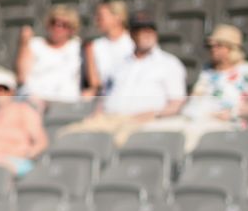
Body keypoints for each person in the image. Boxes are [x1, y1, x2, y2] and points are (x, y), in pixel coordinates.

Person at [141, 24, 248, 153]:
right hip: (189, 118)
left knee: (187, 139)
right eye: (210, 46)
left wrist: (233, 112)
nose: (213, 49)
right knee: (148, 131)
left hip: (221, 123)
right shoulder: (208, 69)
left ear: (232, 48)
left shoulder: (247, 71)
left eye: (218, 45)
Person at [65, 11, 187, 145]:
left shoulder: (169, 63)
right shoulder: (119, 64)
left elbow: (177, 103)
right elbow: (105, 95)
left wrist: (154, 114)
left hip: (142, 121)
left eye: (149, 30)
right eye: (139, 30)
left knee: (117, 141)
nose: (145, 34)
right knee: (68, 136)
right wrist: (97, 114)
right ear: (131, 34)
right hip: (109, 119)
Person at [16, 5, 84, 110]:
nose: (58, 28)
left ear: (72, 29)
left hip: (67, 102)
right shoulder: (34, 44)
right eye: (54, 23)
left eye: (64, 25)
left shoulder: (77, 47)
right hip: (35, 101)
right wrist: (24, 44)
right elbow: (22, 77)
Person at [83, 0, 135, 103]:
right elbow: (95, 83)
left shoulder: (134, 42)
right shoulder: (94, 46)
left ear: (118, 17)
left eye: (101, 16)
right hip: (107, 98)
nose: (97, 20)